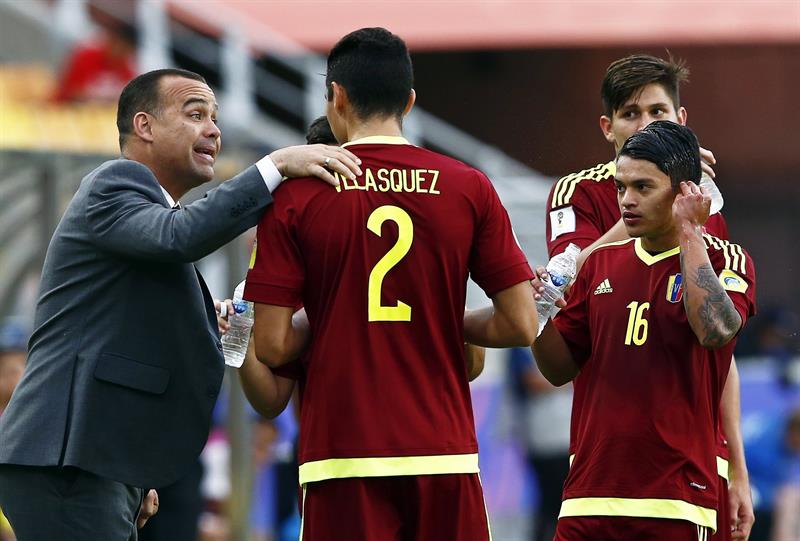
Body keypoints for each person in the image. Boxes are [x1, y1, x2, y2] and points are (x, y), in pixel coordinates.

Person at [0, 67, 361, 541]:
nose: (213, 129)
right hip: (68, 461)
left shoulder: (148, 219)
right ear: (144, 126)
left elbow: (126, 339)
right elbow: (179, 236)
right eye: (195, 114)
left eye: (215, 118)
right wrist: (275, 167)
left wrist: (137, 472)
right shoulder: (116, 182)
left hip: (98, 462)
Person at [243, 27, 537, 540]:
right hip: (444, 456)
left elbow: (270, 343)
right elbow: (521, 322)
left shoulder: (297, 197)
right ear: (409, 101)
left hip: (342, 461)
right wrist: (439, 318)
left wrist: (338, 317)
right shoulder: (468, 186)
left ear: (336, 96)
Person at [545, 54, 753, 540]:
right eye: (631, 114)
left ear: (681, 119)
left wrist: (737, 466)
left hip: (692, 462)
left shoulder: (705, 210)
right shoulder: (578, 192)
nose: (645, 124)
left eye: (658, 113)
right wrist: (650, 195)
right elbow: (569, 284)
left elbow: (719, 345)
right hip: (606, 463)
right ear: (607, 126)